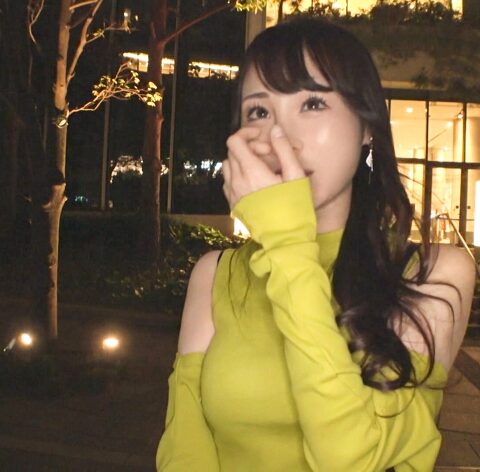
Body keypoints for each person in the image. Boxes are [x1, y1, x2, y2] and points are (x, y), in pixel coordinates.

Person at [156, 16, 476, 472]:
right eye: (259, 112)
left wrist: (287, 245)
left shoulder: (431, 275)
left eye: (312, 103)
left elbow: (351, 457)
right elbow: (184, 447)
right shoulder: (215, 274)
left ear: (367, 128)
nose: (280, 138)